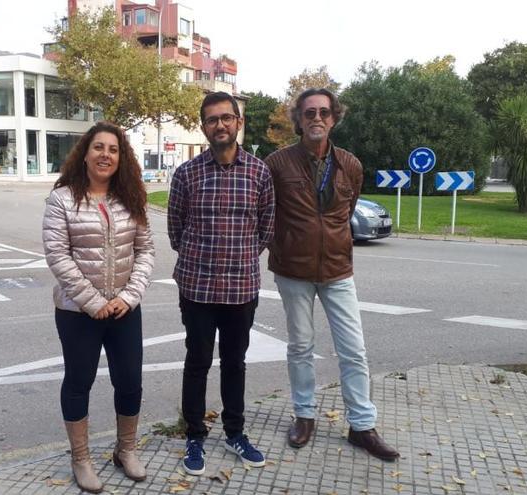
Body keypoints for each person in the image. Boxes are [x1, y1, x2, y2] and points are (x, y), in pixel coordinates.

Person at [264, 88, 400, 461]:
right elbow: (267, 213)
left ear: (334, 117)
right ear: (299, 119)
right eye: (309, 113)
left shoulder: (351, 165)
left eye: (324, 112)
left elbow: (346, 210)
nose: (317, 119)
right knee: (301, 347)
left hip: (338, 270)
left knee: (354, 350)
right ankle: (304, 416)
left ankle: (362, 426)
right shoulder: (278, 164)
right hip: (293, 270)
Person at [42, 121, 155, 493]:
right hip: (78, 313)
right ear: (85, 153)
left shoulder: (132, 197)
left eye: (113, 149)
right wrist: (93, 302)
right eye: (99, 148)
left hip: (124, 309)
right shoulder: (62, 199)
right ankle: (81, 459)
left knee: (130, 382)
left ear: (121, 157)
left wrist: (128, 297)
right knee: (79, 382)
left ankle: (126, 451)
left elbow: (145, 251)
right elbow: (57, 255)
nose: (106, 155)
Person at [168, 91, 276, 475]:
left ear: (238, 123)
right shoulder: (186, 174)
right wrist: (204, 260)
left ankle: (235, 432)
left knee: (235, 363)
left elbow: (266, 228)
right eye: (212, 119)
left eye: (226, 118)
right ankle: (194, 435)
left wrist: (239, 257)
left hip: (241, 289)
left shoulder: (259, 173)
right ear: (203, 126)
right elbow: (176, 230)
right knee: (196, 362)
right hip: (197, 288)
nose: (220, 125)